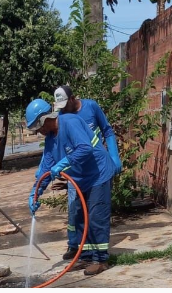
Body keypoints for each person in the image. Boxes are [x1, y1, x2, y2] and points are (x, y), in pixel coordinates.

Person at [26, 98, 116, 276]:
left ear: (44, 119)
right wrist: (35, 193)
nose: (38, 131)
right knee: (80, 219)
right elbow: (46, 168)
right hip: (81, 179)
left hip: (98, 175)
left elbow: (85, 148)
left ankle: (100, 260)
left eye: (38, 127)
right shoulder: (51, 139)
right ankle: (86, 256)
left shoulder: (70, 122)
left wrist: (65, 162)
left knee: (96, 217)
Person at [54, 85, 122, 261]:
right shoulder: (62, 116)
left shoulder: (91, 107)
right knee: (76, 213)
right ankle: (75, 247)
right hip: (76, 171)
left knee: (94, 214)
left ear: (72, 98)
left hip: (96, 167)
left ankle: (97, 256)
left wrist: (114, 156)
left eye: (65, 106)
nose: (62, 111)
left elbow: (107, 130)